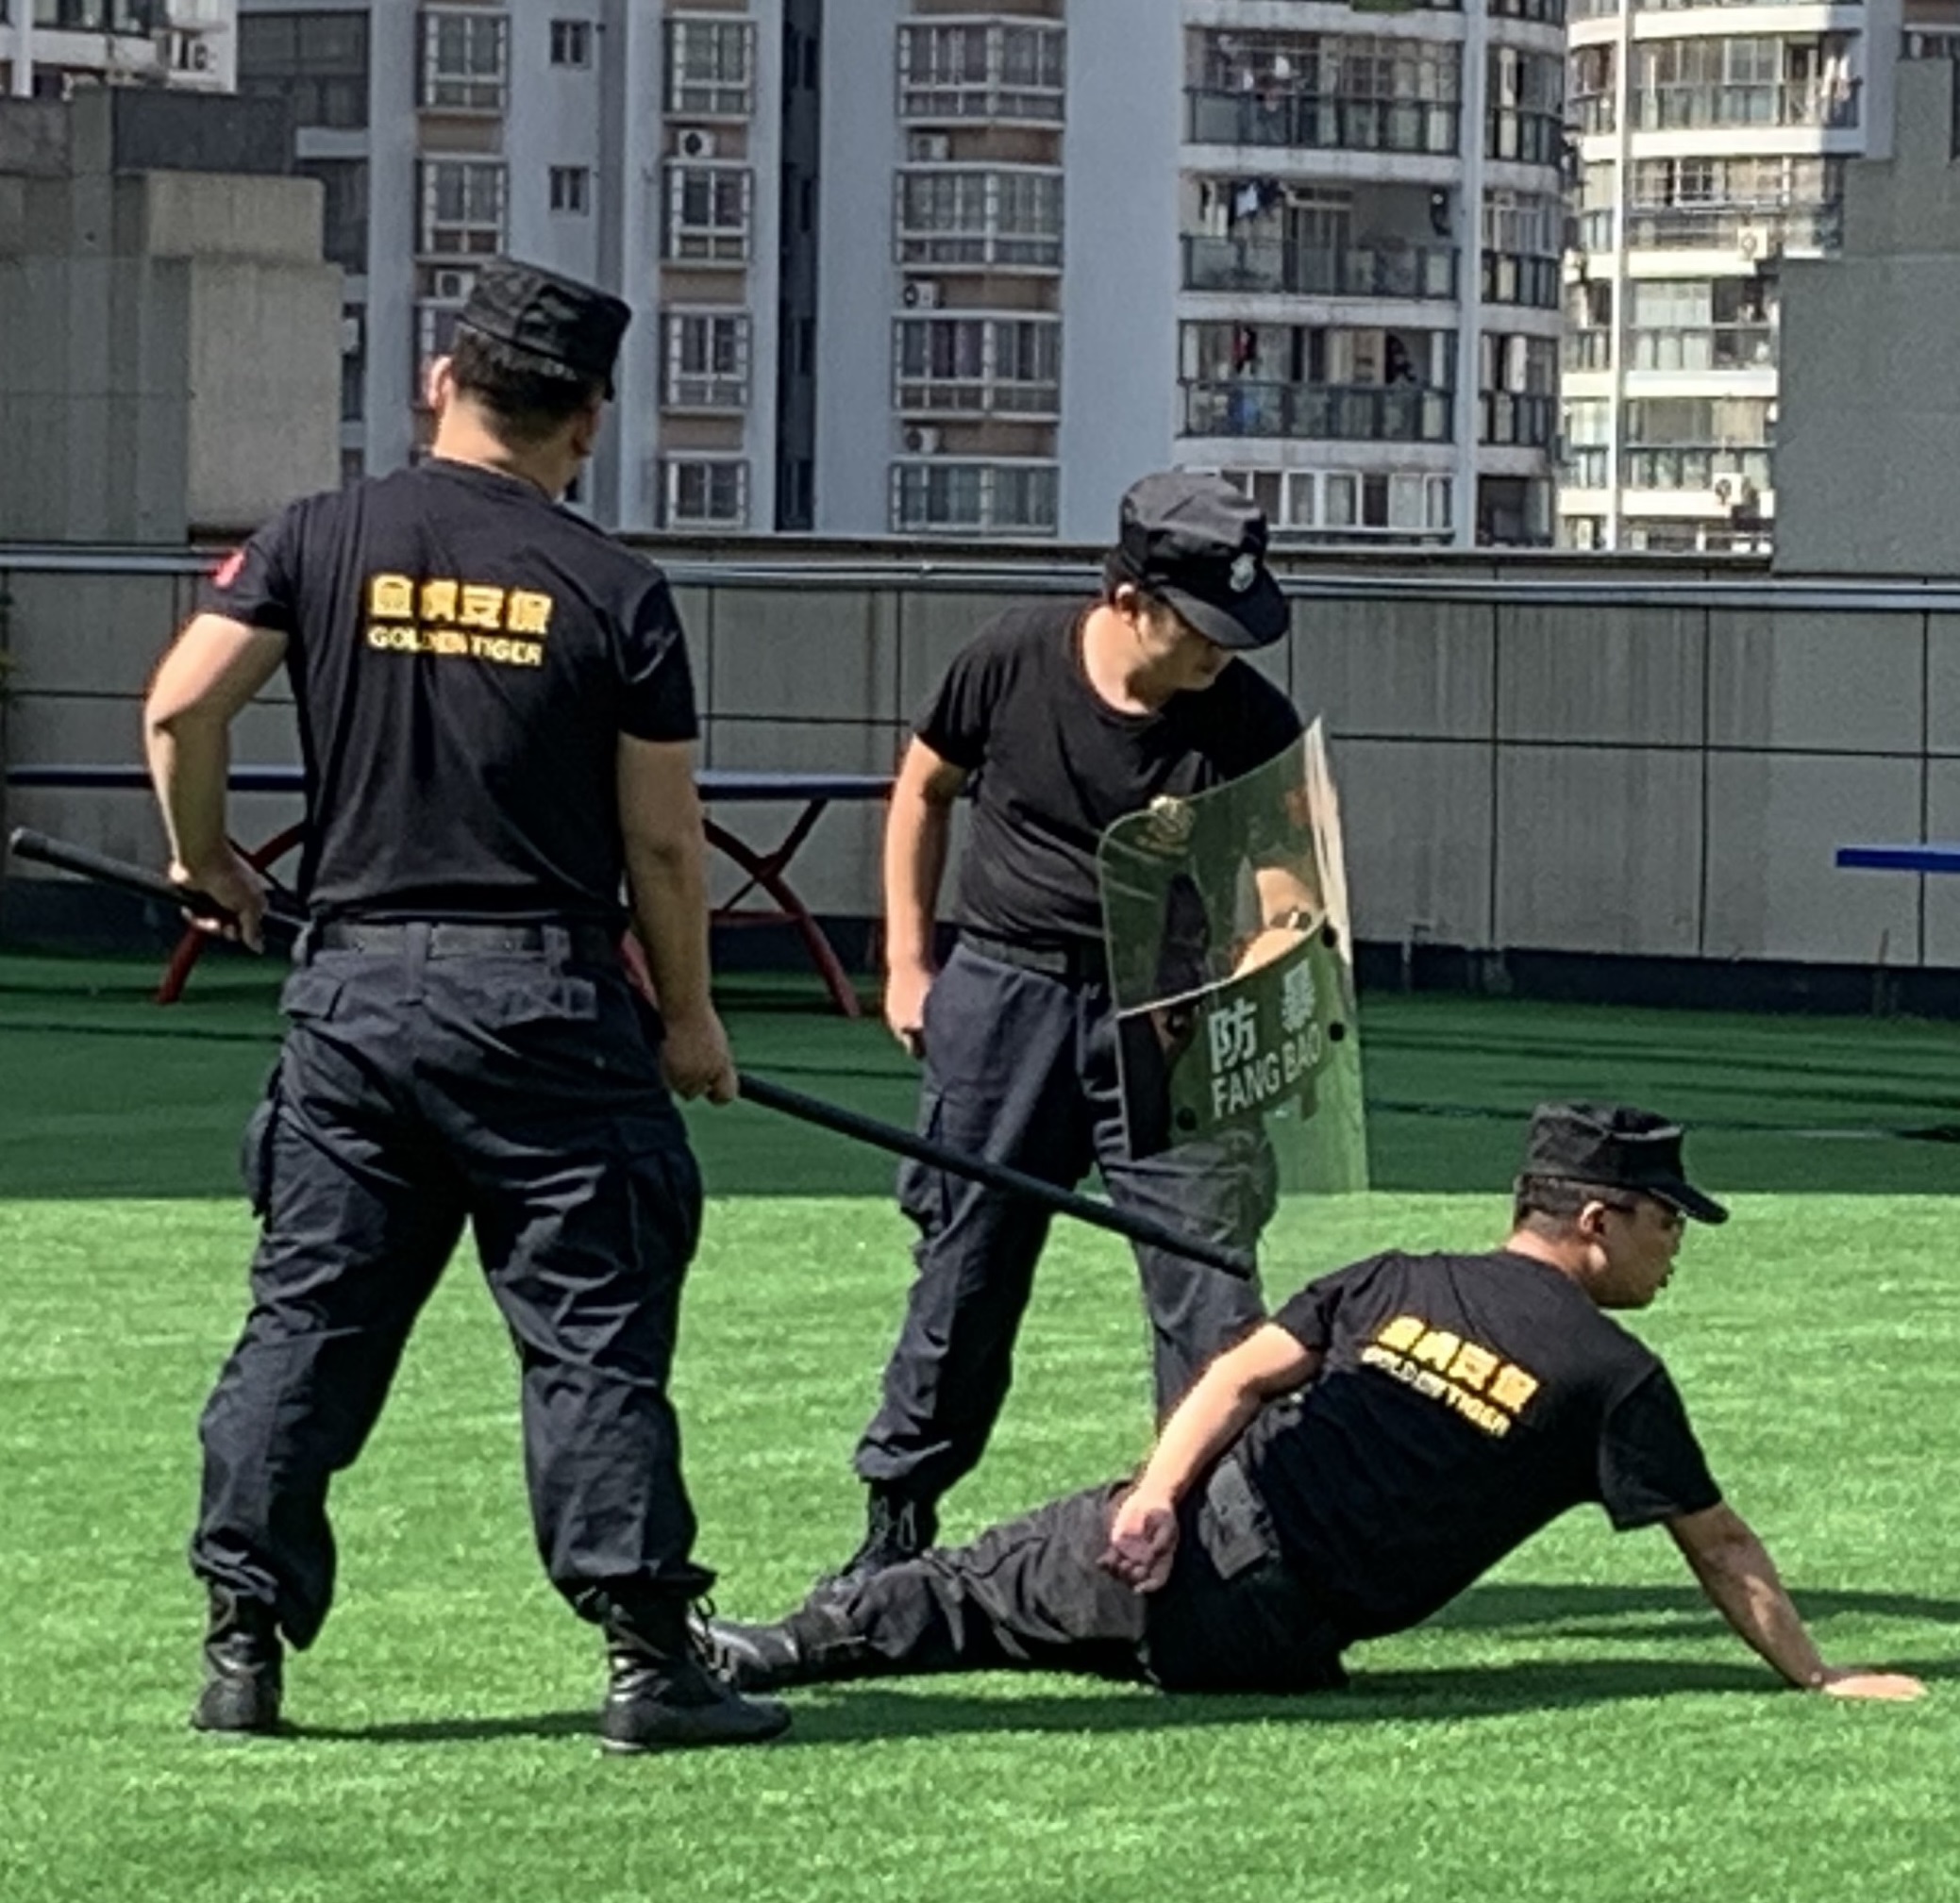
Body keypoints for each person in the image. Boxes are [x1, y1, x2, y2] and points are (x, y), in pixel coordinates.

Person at [142, 259, 785, 1752]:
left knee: (310, 1324)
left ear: (442, 380)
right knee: (592, 1333)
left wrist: (205, 860)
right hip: (546, 1006)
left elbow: (179, 706)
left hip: (355, 998)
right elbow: (663, 844)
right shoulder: (616, 591)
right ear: (589, 420)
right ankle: (646, 1661)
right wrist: (690, 1019)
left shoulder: (316, 537)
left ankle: (241, 1644)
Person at [706, 1104, 1924, 1706]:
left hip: (1216, 1534)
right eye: (1666, 1220)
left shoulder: (1394, 1277)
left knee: (972, 1592)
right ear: (1595, 1220)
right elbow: (1720, 1545)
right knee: (1001, 1620)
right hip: (1276, 1648)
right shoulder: (1614, 1376)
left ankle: (762, 1649)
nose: (1676, 1245)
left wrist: (1154, 1495)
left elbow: (1235, 1374)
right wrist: (1815, 1673)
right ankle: (801, 1646)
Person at [836, 471, 1309, 1587]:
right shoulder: (1006, 660)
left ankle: (1210, 1535)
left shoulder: (1247, 717)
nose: (1222, 650)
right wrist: (906, 963)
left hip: (1172, 1013)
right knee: (965, 1271)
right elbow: (922, 790)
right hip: (1006, 999)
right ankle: (896, 1517)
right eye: (1203, 625)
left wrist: (1254, 983)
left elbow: (1288, 895)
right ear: (1130, 599)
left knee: (1208, 1280)